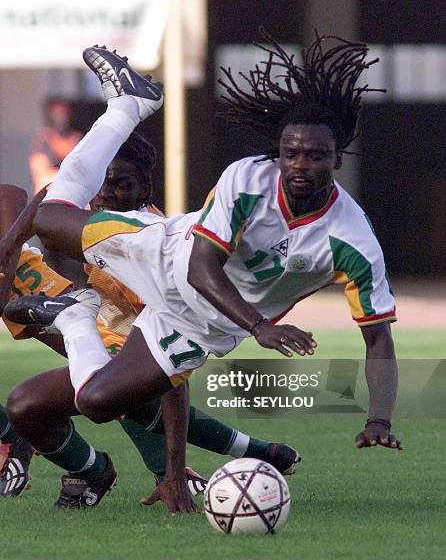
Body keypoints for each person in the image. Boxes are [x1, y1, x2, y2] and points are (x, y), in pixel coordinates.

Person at [1, 34, 402, 509]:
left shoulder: (353, 241)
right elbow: (199, 266)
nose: (300, 165)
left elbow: (378, 338)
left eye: (315, 156)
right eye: (290, 153)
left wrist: (380, 419)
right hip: (164, 255)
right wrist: (261, 326)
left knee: (96, 402)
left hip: (201, 328)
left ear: (337, 159)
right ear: (278, 152)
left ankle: (71, 317)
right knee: (49, 221)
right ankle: (127, 107)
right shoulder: (248, 178)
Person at [0, 176, 298, 503]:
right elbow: (46, 194)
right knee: (96, 395)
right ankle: (86, 469)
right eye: (100, 182)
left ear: (143, 190)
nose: (103, 193)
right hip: (80, 312)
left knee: (122, 392)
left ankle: (205, 464)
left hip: (91, 317)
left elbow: (10, 193)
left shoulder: (150, 247)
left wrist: (171, 468)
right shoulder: (103, 218)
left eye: (118, 183)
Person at [29, 98, 83, 195]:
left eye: (64, 113)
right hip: (49, 192)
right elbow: (40, 170)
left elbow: (79, 167)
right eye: (57, 113)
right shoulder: (43, 139)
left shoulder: (76, 138)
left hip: (71, 192)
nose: (61, 117)